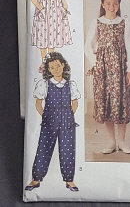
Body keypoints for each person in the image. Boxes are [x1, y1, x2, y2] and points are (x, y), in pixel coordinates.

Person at [85, 0, 130, 154]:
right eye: (108, 3)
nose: (112, 6)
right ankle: (111, 142)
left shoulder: (124, 22)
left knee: (121, 104)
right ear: (103, 4)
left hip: (120, 69)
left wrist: (129, 69)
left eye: (115, 3)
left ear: (119, 4)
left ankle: (122, 142)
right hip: (103, 71)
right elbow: (88, 46)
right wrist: (96, 63)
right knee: (106, 104)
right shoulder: (97, 22)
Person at [24, 52, 80, 193]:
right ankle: (36, 179)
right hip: (49, 120)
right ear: (48, 70)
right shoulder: (45, 84)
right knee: (44, 148)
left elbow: (74, 103)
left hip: (67, 120)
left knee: (68, 149)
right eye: (52, 67)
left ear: (63, 65)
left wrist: (68, 116)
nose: (56, 69)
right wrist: (46, 116)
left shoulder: (70, 84)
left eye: (58, 66)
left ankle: (69, 180)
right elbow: (38, 104)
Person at [31, 0, 73, 71]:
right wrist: (41, 9)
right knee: (43, 35)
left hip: (55, 10)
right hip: (44, 10)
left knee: (53, 36)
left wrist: (64, 5)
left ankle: (49, 62)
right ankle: (44, 61)